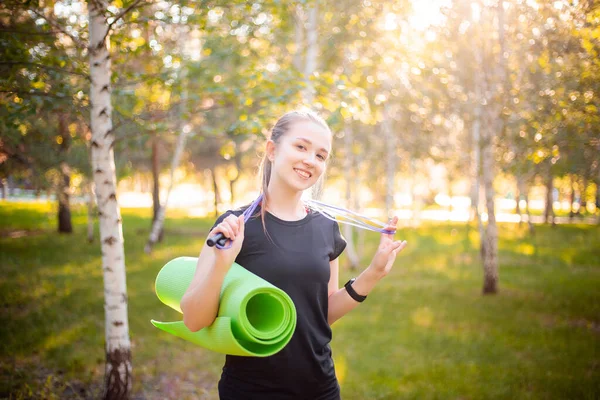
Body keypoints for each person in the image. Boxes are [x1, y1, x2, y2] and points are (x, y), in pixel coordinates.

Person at [180, 110, 408, 400]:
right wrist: (222, 264)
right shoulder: (234, 227)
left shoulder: (326, 226)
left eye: (321, 155)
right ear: (272, 150)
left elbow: (321, 313)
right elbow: (194, 320)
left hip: (320, 388)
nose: (310, 160)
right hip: (251, 391)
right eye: (301, 147)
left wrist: (373, 273)